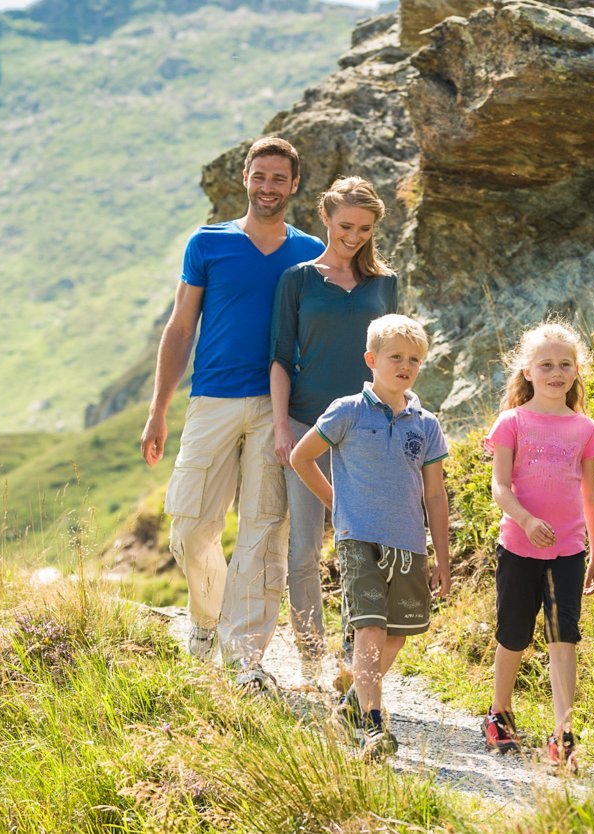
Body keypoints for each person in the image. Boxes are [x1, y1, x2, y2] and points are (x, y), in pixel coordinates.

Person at [139, 136, 326, 683]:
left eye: (279, 179)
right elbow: (179, 329)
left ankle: (245, 661)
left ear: (294, 186)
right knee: (191, 527)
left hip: (279, 407)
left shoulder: (310, 252)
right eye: (259, 176)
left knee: (264, 532)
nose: (268, 187)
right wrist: (158, 412)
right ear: (245, 178)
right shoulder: (207, 244)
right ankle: (205, 617)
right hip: (212, 400)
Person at [288, 314, 452, 757]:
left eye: (414, 359)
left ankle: (351, 705)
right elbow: (301, 458)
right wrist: (334, 505)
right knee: (370, 626)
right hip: (358, 537)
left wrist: (442, 557)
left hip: (410, 544)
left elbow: (436, 496)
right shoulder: (347, 411)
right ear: (371, 359)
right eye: (395, 356)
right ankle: (375, 723)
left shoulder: (426, 424)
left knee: (397, 633)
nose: (405, 365)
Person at [269, 176, 400, 689]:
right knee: (304, 547)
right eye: (346, 225)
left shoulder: (384, 284)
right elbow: (280, 357)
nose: (354, 236)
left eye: (365, 229)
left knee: (362, 546)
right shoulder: (297, 279)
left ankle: (353, 663)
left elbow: (395, 358)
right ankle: (309, 660)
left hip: (368, 430)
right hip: (307, 426)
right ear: (325, 218)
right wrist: (282, 427)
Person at [480, 321, 594, 768]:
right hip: (517, 546)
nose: (557, 372)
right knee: (513, 633)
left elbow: (592, 494)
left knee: (563, 637)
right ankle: (499, 713)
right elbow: (499, 487)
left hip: (569, 552)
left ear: (577, 371)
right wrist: (527, 520)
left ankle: (563, 733)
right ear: (528, 371)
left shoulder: (585, 428)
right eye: (547, 364)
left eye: (565, 364)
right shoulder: (512, 422)